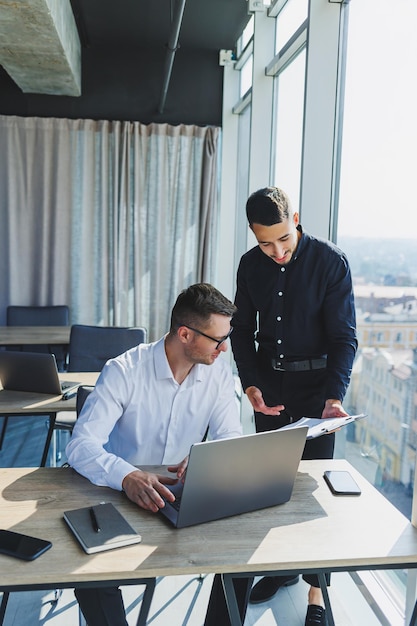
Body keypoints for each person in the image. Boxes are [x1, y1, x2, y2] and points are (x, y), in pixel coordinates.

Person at [66, 283, 252, 626]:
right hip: (117, 497)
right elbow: (80, 445)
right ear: (185, 334)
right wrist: (126, 475)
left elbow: (229, 437)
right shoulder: (124, 370)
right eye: (217, 340)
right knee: (91, 578)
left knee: (245, 556)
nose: (224, 349)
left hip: (183, 494)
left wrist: (208, 456)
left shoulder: (220, 375)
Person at [230, 186, 357, 626]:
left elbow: (345, 338)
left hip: (318, 391)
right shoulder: (250, 265)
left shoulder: (330, 262)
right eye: (266, 242)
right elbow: (241, 330)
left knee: (310, 497)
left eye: (284, 238)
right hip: (270, 387)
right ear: (253, 234)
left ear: (296, 219)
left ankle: (316, 596)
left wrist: (334, 397)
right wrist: (250, 386)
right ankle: (282, 569)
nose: (278, 251)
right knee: (271, 488)